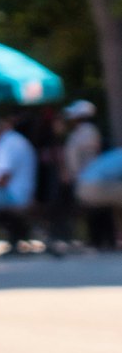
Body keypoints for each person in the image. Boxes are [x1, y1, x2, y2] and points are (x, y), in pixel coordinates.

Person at [0, 112, 38, 240]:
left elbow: (2, 180)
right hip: (19, 195)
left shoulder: (7, 144)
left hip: (14, 197)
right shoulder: (11, 140)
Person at [62, 100, 110, 249]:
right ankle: (97, 240)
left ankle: (101, 241)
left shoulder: (87, 132)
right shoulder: (83, 132)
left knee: (96, 210)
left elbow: (84, 156)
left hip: (88, 178)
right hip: (85, 177)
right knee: (93, 210)